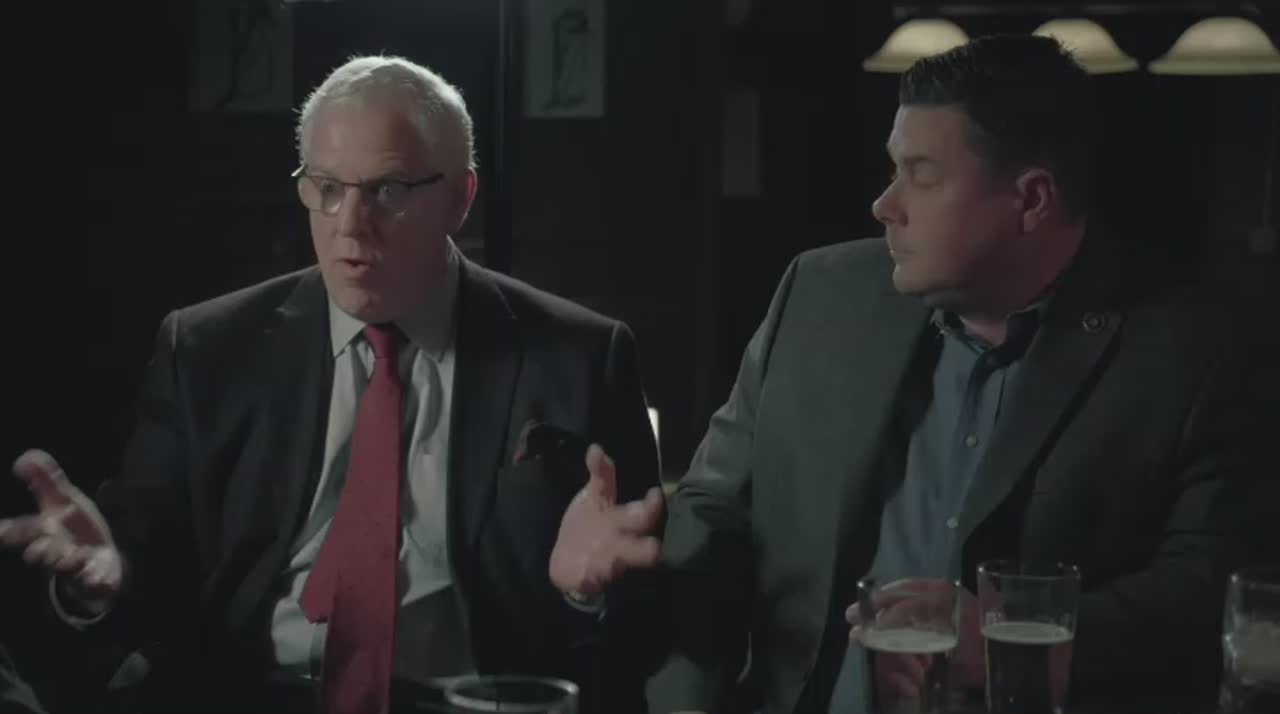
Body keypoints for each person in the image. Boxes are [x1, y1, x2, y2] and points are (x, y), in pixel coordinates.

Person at [556, 34, 1277, 713]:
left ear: (1032, 200)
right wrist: (625, 595)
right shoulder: (821, 296)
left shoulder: (1198, 350)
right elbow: (716, 512)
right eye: (894, 169)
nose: (885, 205)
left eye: (921, 176)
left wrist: (1009, 637)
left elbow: (1211, 589)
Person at [0, 55, 664, 714]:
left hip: (466, 701)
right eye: (327, 188)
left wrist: (586, 594)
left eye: (388, 190)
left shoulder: (581, 357)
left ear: (460, 199)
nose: (349, 225)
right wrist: (98, 584)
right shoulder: (206, 349)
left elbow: (646, 619)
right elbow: (139, 562)